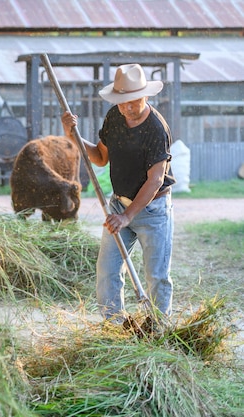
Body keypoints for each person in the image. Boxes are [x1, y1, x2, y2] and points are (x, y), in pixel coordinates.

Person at [61, 63, 176, 323]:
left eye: (132, 101)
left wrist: (127, 216)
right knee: (107, 271)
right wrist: (72, 135)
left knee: (156, 275)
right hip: (118, 206)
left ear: (145, 95)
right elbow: (101, 158)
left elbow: (155, 180)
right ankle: (114, 326)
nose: (127, 108)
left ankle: (159, 329)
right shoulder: (114, 117)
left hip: (152, 210)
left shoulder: (156, 129)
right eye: (122, 102)